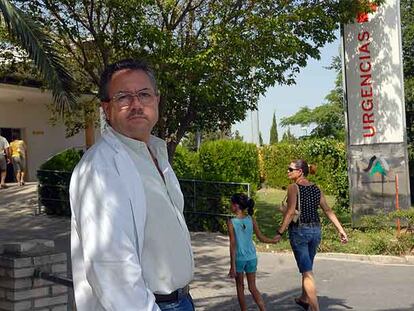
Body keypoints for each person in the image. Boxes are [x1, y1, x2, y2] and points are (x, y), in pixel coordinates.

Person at [70, 59, 194, 311]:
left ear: (157, 101)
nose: (136, 104)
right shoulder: (99, 169)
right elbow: (111, 268)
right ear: (106, 109)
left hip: (181, 301)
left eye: (144, 94)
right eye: (124, 97)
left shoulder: (157, 154)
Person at [274, 159, 348, 311]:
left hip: (300, 231)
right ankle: (303, 298)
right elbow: (327, 210)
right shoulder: (316, 188)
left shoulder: (293, 187)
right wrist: (341, 229)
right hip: (316, 231)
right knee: (307, 266)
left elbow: (290, 212)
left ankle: (315, 309)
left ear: (300, 171)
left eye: (290, 169)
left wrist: (279, 232)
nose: (287, 172)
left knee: (307, 272)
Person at [227, 193, 276, 311]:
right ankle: (263, 309)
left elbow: (232, 244)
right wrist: (273, 241)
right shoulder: (251, 219)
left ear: (236, 206)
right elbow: (260, 237)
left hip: (239, 259)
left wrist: (232, 266)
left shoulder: (231, 222)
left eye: (231, 204)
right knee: (253, 287)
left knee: (240, 287)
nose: (230, 206)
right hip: (252, 258)